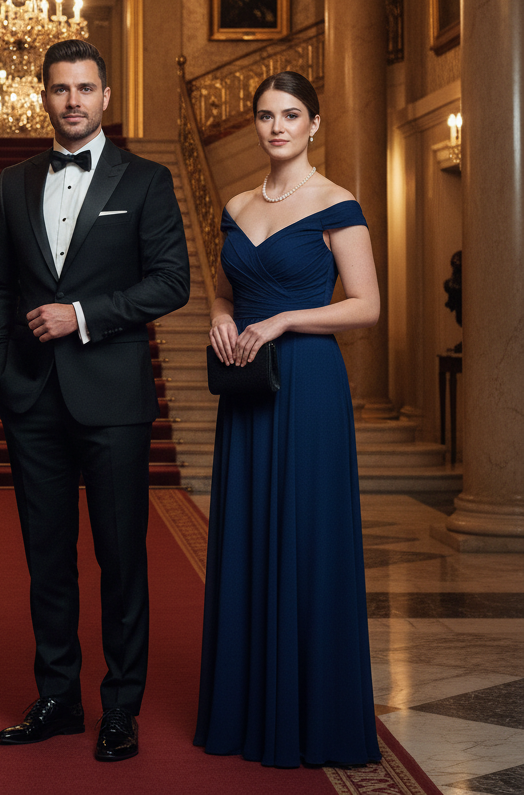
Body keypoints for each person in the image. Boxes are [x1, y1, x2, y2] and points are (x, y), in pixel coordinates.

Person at [0, 40, 190, 762]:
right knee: (47, 557)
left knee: (121, 557)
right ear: (43, 95)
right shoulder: (13, 180)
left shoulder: (149, 179)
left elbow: (171, 282)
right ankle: (57, 697)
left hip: (114, 397)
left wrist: (83, 315)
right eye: (60, 88)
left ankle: (121, 707)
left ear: (106, 96)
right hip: (32, 394)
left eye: (85, 88)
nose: (73, 101)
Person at [195, 70, 381, 768]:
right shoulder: (236, 204)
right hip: (248, 383)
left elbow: (366, 305)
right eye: (267, 115)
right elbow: (223, 292)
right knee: (248, 534)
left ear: (314, 124)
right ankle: (248, 707)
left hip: (307, 385)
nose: (277, 127)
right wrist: (221, 319)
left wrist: (282, 321)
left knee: (307, 536)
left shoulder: (337, 203)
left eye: (292, 114)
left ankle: (313, 715)